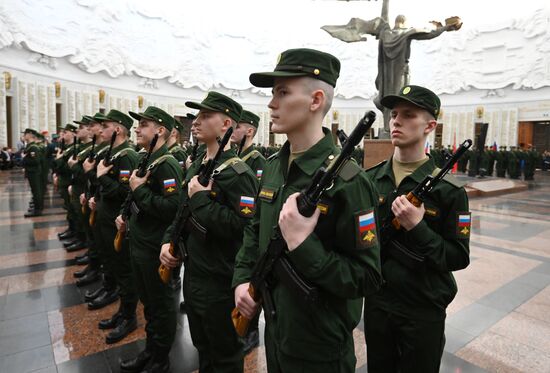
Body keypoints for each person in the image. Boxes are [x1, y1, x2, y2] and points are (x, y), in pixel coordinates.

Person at [233, 48, 382, 372]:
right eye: (273, 94)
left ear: (315, 100)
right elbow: (252, 231)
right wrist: (244, 280)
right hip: (275, 330)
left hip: (320, 348)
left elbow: (367, 277)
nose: (272, 103)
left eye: (283, 93)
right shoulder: (273, 168)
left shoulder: (349, 182)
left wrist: (303, 245)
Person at [363, 85, 470, 373]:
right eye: (394, 114)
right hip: (377, 304)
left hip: (422, 309)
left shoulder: (449, 191)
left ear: (430, 126)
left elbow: (459, 256)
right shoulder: (370, 180)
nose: (396, 121)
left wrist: (418, 227)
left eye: (408, 115)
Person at [160, 91, 258, 372]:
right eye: (197, 116)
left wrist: (202, 200)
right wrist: (168, 242)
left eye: (205, 116)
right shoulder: (199, 165)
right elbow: (181, 212)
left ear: (226, 124)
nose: (196, 122)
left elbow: (245, 226)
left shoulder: (238, 174)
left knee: (225, 354)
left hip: (220, 279)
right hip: (193, 273)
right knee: (202, 346)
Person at [321, 0, 462, 136]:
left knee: (389, 99)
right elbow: (430, 34)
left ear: (394, 23)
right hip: (400, 72)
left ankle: (387, 128)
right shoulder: (407, 33)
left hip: (386, 75)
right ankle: (390, 128)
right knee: (399, 99)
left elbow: (384, 16)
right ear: (405, 23)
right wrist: (444, 28)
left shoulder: (385, 32)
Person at [117, 106, 183, 373]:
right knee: (149, 304)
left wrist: (140, 192)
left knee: (162, 305)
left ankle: (160, 357)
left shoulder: (166, 164)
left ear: (160, 131)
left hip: (156, 246)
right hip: (140, 241)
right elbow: (135, 196)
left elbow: (172, 207)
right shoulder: (148, 160)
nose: (137, 128)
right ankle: (150, 350)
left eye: (143, 124)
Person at [231, 109, 267, 184]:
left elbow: (256, 188)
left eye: (237, 127)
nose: (232, 130)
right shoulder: (233, 154)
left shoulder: (258, 160)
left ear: (249, 132)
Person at [22, 128, 44, 217]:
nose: (24, 135)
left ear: (30, 135)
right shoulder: (30, 146)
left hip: (34, 172)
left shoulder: (33, 147)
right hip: (32, 171)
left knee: (36, 191)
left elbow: (36, 161)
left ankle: (38, 210)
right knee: (35, 190)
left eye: (25, 134)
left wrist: (24, 159)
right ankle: (37, 207)